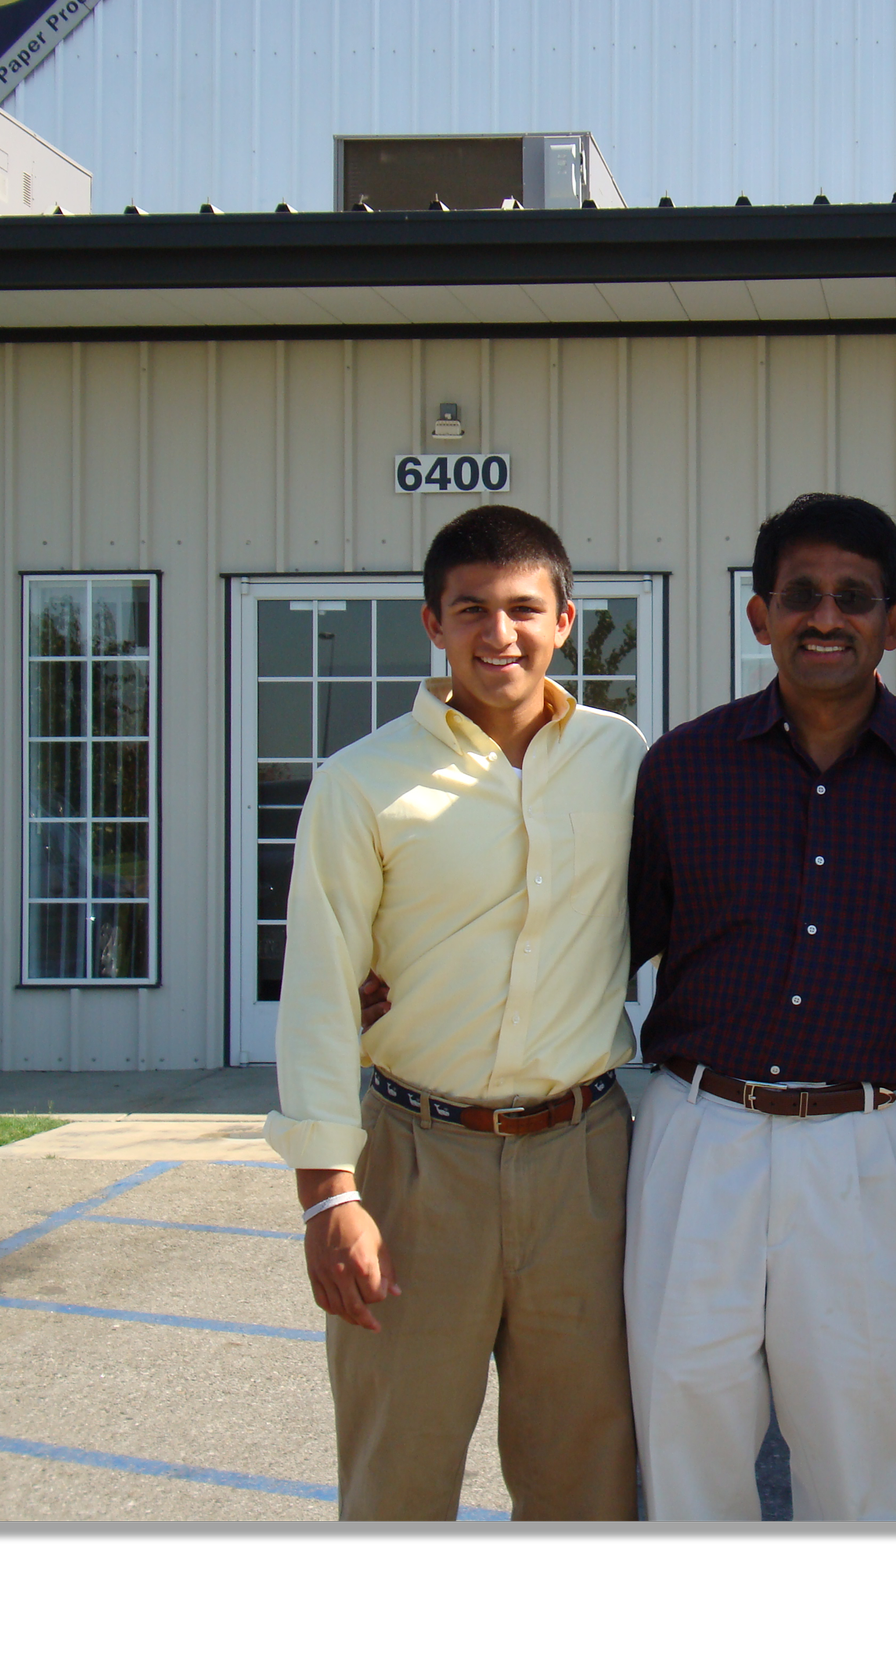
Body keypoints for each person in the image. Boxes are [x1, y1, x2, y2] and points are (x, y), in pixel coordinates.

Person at [264, 505, 646, 1521]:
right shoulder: (359, 785)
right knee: (399, 1474)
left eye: (524, 608)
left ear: (566, 619)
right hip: (415, 1164)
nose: (499, 633)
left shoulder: (625, 763)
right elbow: (317, 992)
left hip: (586, 1163)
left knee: (587, 1474)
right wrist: (324, 1197)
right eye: (471, 608)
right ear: (432, 622)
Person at [624, 493, 896, 1520]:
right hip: (700, 1131)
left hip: (866, 1141)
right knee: (685, 1412)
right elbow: (620, 933)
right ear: (759, 616)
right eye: (800, 597)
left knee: (856, 1426)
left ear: (895, 620)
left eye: (853, 598)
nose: (824, 618)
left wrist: (882, 1005)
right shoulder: (682, 769)